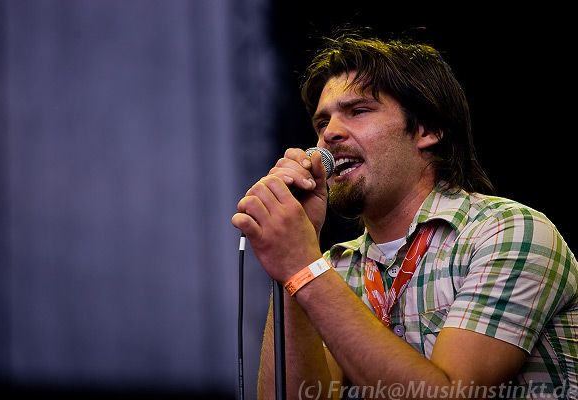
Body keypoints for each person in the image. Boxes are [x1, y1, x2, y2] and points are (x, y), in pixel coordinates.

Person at [232, 33, 577, 399]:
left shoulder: (507, 232)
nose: (328, 134)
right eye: (321, 124)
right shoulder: (333, 269)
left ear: (427, 130)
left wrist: (304, 267)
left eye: (358, 111)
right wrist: (292, 269)